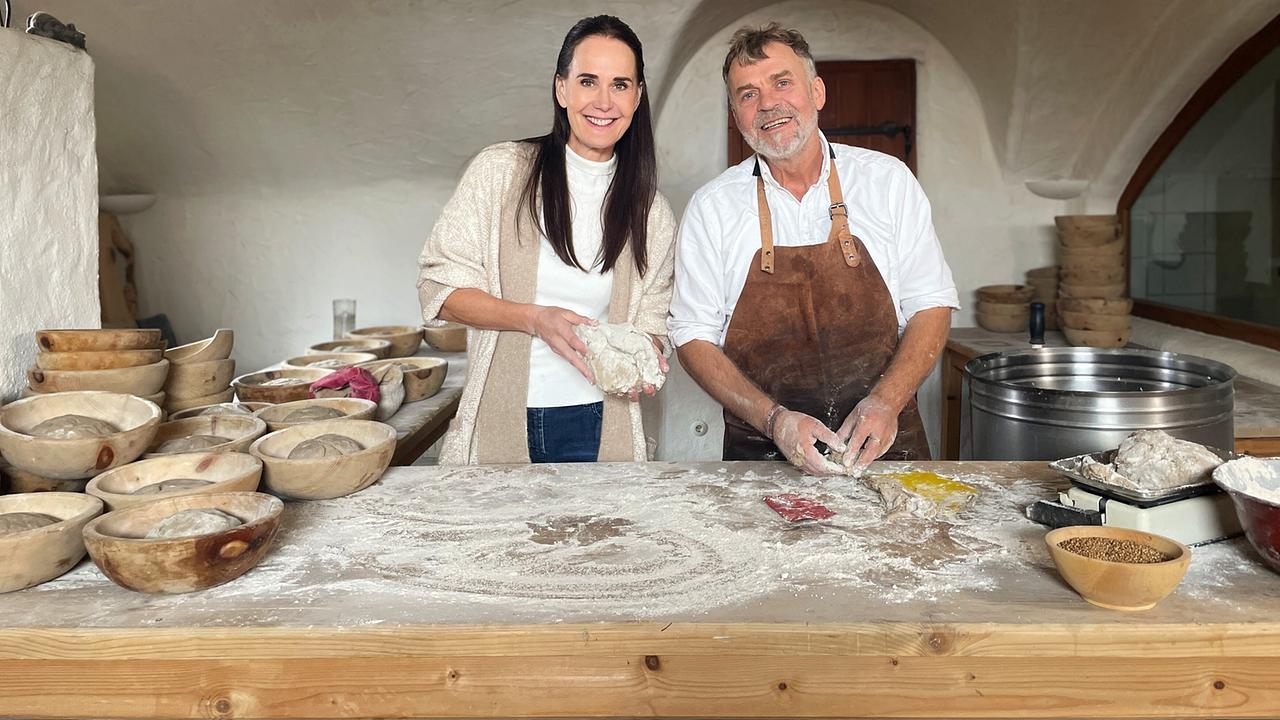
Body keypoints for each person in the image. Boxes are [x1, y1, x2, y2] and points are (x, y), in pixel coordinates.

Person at [668, 23, 958, 476]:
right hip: (762, 462)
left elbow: (932, 305)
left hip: (885, 454)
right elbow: (691, 335)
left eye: (781, 82)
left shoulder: (889, 181)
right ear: (735, 114)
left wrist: (885, 402)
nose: (767, 104)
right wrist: (774, 420)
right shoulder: (712, 207)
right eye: (747, 94)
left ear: (816, 92)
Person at [418, 15, 676, 465]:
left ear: (637, 96)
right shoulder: (501, 172)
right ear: (561, 89)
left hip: (599, 422)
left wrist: (647, 355)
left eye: (620, 85)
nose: (603, 101)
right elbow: (439, 292)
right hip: (503, 413)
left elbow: (653, 327)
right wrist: (535, 319)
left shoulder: (650, 213)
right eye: (587, 81)